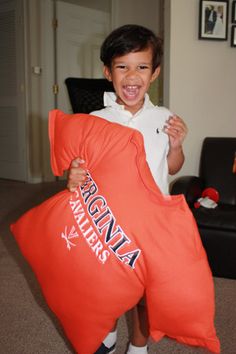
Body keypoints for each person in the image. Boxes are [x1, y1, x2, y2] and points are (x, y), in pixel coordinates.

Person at [67, 24, 188, 354]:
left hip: (152, 227)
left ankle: (138, 346)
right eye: (122, 66)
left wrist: (175, 146)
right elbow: (81, 167)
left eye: (142, 67)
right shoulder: (95, 119)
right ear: (108, 71)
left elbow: (172, 167)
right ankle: (106, 332)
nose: (132, 76)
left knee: (145, 296)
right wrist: (74, 175)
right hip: (107, 223)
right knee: (104, 288)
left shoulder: (165, 118)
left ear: (155, 73)